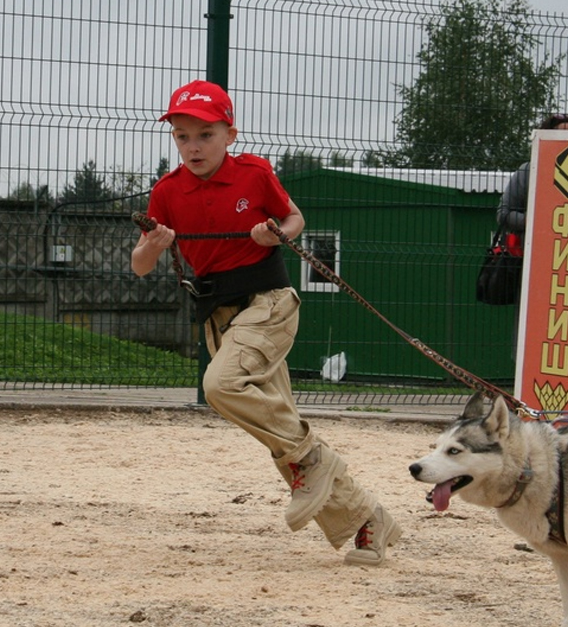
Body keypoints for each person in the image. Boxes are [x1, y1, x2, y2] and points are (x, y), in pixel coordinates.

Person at [131, 80, 401, 565]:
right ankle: (368, 521)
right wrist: (153, 245)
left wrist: (275, 233)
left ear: (230, 135)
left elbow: (294, 218)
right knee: (280, 429)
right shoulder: (167, 191)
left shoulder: (254, 173)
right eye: (181, 136)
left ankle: (317, 462)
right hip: (220, 315)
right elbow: (140, 265)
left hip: (268, 303)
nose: (192, 146)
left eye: (205, 134)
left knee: (221, 386)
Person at [496, 113, 568, 245]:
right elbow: (503, 214)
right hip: (533, 249)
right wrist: (534, 221)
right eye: (563, 134)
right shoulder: (529, 171)